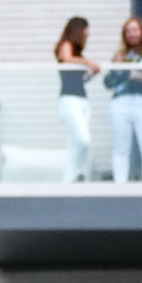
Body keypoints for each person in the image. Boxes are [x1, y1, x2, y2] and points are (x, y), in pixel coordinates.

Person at [103, 16, 142, 183]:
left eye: (135, 30)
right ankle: (120, 187)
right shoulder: (119, 55)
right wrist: (121, 70)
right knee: (121, 149)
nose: (132, 34)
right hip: (121, 104)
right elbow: (108, 83)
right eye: (129, 30)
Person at [55, 17, 101, 182]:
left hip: (82, 100)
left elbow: (80, 80)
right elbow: (67, 58)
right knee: (83, 139)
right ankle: (78, 173)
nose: (88, 33)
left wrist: (91, 73)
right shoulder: (65, 45)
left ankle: (70, 180)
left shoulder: (79, 55)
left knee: (75, 144)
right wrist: (88, 63)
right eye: (85, 29)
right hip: (69, 99)